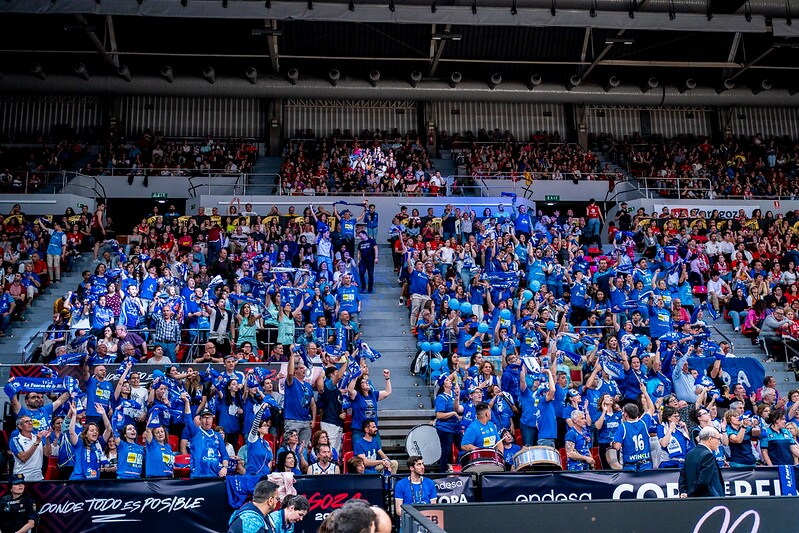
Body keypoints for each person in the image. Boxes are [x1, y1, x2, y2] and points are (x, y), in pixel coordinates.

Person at [612, 384, 656, 471]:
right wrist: (645, 392)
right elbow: (652, 408)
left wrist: (612, 444)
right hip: (646, 465)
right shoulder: (643, 422)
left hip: (630, 467)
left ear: (625, 414)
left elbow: (617, 446)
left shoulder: (623, 427)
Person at [678, 426, 725, 498]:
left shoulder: (689, 453)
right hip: (707, 500)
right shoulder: (708, 455)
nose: (719, 442)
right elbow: (703, 481)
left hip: (692, 500)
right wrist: (690, 494)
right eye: (718, 439)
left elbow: (682, 477)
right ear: (710, 439)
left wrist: (684, 492)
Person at [283, 350, 316, 446]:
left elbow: (313, 404)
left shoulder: (308, 385)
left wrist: (313, 419)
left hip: (306, 422)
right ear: (295, 370)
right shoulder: (291, 382)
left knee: (303, 449)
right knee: (290, 446)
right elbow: (289, 373)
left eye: (304, 368)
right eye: (301, 368)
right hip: (292, 420)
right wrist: (292, 355)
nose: (304, 370)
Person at [10, 416, 52, 481]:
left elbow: (47, 454)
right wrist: (37, 442)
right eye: (26, 422)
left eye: (31, 421)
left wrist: (47, 439)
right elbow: (23, 458)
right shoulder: (15, 440)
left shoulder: (37, 437)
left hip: (39, 477)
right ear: (20, 426)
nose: (30, 423)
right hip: (22, 479)